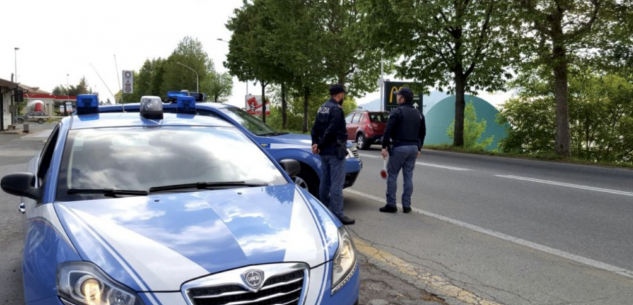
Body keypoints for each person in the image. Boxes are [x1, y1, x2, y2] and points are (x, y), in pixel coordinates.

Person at [311, 84, 355, 225]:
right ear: (340, 94)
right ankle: (337, 214)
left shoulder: (322, 107)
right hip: (335, 150)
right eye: (343, 95)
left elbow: (315, 128)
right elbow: (331, 130)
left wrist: (316, 143)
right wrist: (321, 144)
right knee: (337, 183)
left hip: (324, 152)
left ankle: (324, 209)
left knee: (325, 181)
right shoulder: (336, 109)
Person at [380, 87, 426, 214]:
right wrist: (419, 148)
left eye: (397, 95)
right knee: (408, 177)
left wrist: (384, 147)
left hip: (399, 147)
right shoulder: (419, 113)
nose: (396, 97)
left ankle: (391, 204)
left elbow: (388, 130)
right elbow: (423, 133)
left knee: (392, 175)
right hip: (413, 148)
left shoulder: (397, 112)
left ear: (402, 98)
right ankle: (406, 205)